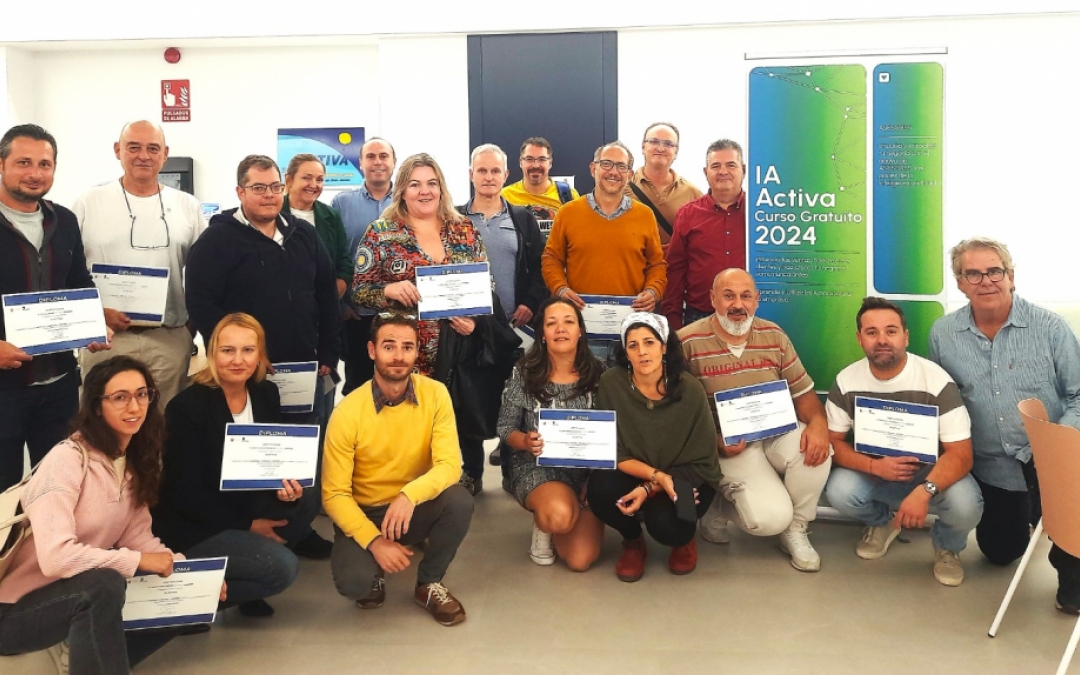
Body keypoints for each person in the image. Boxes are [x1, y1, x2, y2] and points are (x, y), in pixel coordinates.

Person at [0, 355, 214, 673]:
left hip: (67, 595)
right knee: (104, 584)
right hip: (13, 611)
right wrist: (137, 561)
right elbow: (56, 558)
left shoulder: (132, 461)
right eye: (120, 397)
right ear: (97, 407)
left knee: (180, 598)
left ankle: (84, 657)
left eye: (142, 394)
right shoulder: (67, 460)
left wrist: (192, 578)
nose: (134, 406)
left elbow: (139, 539)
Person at [929, 238, 1080, 610]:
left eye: (994, 272)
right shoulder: (943, 334)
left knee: (1069, 536)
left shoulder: (1051, 327)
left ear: (1011, 276)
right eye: (973, 274)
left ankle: (1070, 576)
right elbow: (942, 402)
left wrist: (1057, 447)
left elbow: (1078, 394)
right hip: (990, 464)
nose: (986, 281)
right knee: (1000, 552)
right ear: (960, 283)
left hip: (1047, 457)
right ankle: (1026, 518)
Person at [152, 313, 320, 619]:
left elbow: (270, 460)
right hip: (195, 523)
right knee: (282, 568)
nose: (238, 360)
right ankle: (189, 602)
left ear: (260, 356)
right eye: (228, 350)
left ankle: (246, 576)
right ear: (212, 353)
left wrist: (284, 489)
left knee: (308, 495)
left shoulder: (266, 393)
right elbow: (184, 496)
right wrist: (248, 525)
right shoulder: (186, 407)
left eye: (248, 350)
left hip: (244, 501)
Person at [349, 153, 488, 493]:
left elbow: (488, 284)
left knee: (457, 416)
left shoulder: (464, 229)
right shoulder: (381, 232)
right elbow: (359, 290)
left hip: (458, 351)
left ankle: (462, 479)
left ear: (441, 188)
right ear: (402, 190)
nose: (424, 191)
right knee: (408, 425)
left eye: (431, 183)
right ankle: (408, 483)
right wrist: (388, 290)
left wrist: (474, 321)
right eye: (414, 184)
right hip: (405, 356)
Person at [323, 312, 473, 626]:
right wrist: (374, 542)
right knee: (356, 586)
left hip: (411, 507)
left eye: (407, 347)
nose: (398, 356)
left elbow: (450, 465)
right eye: (389, 346)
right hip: (365, 511)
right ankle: (373, 565)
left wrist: (409, 496)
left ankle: (429, 583)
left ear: (417, 352)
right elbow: (334, 495)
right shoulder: (347, 412)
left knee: (459, 500)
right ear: (371, 350)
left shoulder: (435, 394)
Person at [679, 268, 832, 572]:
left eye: (746, 296)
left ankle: (796, 529)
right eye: (728, 296)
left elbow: (804, 395)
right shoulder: (687, 342)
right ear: (712, 299)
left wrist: (818, 424)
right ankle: (718, 508)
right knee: (769, 520)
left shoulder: (774, 336)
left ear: (757, 300)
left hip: (775, 434)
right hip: (728, 446)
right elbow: (676, 416)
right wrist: (714, 442)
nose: (738, 304)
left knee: (818, 450)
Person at [825, 297, 983, 586]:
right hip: (876, 470)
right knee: (839, 491)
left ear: (905, 337)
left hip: (931, 472)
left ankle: (947, 546)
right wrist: (874, 467)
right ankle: (883, 522)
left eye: (891, 331)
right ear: (859, 339)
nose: (882, 340)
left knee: (966, 505)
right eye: (872, 332)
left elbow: (961, 454)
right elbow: (833, 443)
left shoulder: (936, 381)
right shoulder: (846, 381)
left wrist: (924, 492)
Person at [185, 154, 340, 431]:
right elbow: (201, 303)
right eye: (258, 188)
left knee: (305, 441)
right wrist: (239, 353)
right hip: (246, 371)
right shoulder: (216, 241)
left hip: (304, 368)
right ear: (240, 192)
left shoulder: (303, 234)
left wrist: (329, 350)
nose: (269, 195)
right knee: (257, 442)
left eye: (275, 187)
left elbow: (327, 293)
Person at [0, 123, 110, 492]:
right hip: (3, 388)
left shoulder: (63, 221)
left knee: (57, 485)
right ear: (1, 164)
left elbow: (79, 281)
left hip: (59, 383)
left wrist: (92, 324)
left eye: (44, 164)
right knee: (3, 488)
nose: (35, 173)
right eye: (23, 162)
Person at [72, 120, 204, 408]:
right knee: (103, 423)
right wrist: (93, 316)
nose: (143, 156)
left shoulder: (188, 206)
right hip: (106, 339)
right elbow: (68, 271)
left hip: (168, 339)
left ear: (165, 154)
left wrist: (188, 329)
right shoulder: (88, 203)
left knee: (165, 422)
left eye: (153, 148)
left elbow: (204, 273)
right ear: (117, 150)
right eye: (134, 147)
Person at [588, 313, 719, 582]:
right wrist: (655, 477)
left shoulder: (690, 389)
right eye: (633, 345)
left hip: (685, 474)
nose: (642, 352)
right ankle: (633, 540)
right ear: (625, 352)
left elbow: (704, 461)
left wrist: (649, 489)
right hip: (637, 470)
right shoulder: (612, 383)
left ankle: (683, 541)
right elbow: (611, 450)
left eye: (649, 342)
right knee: (599, 489)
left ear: (664, 346)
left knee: (671, 526)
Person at [497, 296, 605, 569]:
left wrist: (596, 480)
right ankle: (545, 520)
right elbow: (505, 428)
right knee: (558, 516)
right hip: (537, 466)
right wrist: (525, 441)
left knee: (580, 560)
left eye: (568, 322)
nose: (560, 329)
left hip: (588, 473)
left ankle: (568, 510)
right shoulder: (524, 372)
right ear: (542, 334)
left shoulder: (601, 373)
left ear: (580, 331)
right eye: (551, 323)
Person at [460, 143, 548, 471]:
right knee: (467, 400)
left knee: (512, 399)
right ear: (471, 174)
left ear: (506, 175)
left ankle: (512, 467)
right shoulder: (453, 218)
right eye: (482, 170)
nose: (488, 176)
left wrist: (530, 303)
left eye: (495, 170)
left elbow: (541, 267)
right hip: (468, 327)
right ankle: (472, 472)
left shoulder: (522, 218)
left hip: (512, 327)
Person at [541, 141, 667, 362]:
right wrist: (560, 289)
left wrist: (653, 291)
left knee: (625, 385)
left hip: (631, 333)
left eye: (621, 166)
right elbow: (551, 258)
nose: (613, 172)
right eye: (606, 164)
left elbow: (656, 265)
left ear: (629, 174)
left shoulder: (645, 215)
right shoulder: (568, 213)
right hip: (582, 331)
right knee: (585, 384)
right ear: (593, 168)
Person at [283, 153, 351, 429]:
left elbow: (344, 261)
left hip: (324, 323)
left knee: (322, 406)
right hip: (285, 321)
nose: (314, 185)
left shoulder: (328, 215)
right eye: (307, 178)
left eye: (320, 179)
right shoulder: (273, 212)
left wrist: (330, 295)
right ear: (289, 180)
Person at [332, 137, 397, 395]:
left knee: (398, 386)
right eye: (371, 156)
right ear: (360, 163)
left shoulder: (409, 200)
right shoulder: (341, 204)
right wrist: (341, 305)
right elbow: (334, 258)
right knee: (359, 389)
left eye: (383, 156)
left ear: (394, 162)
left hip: (401, 314)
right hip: (357, 316)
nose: (377, 162)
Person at [663, 139, 747, 330]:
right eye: (716, 166)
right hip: (699, 316)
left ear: (743, 170)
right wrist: (673, 319)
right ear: (705, 172)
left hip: (749, 315)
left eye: (731, 165)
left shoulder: (759, 213)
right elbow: (675, 270)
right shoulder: (688, 214)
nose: (723, 171)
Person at [624, 122, 702, 248]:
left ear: (676, 152)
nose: (660, 148)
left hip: (673, 261)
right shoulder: (622, 188)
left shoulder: (692, 193)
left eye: (668, 144)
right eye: (654, 142)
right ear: (643, 147)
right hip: (633, 260)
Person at [501, 137, 579, 229]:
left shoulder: (569, 196)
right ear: (521, 162)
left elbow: (578, 232)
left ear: (550, 163)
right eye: (529, 159)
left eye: (542, 159)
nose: (535, 165)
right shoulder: (504, 196)